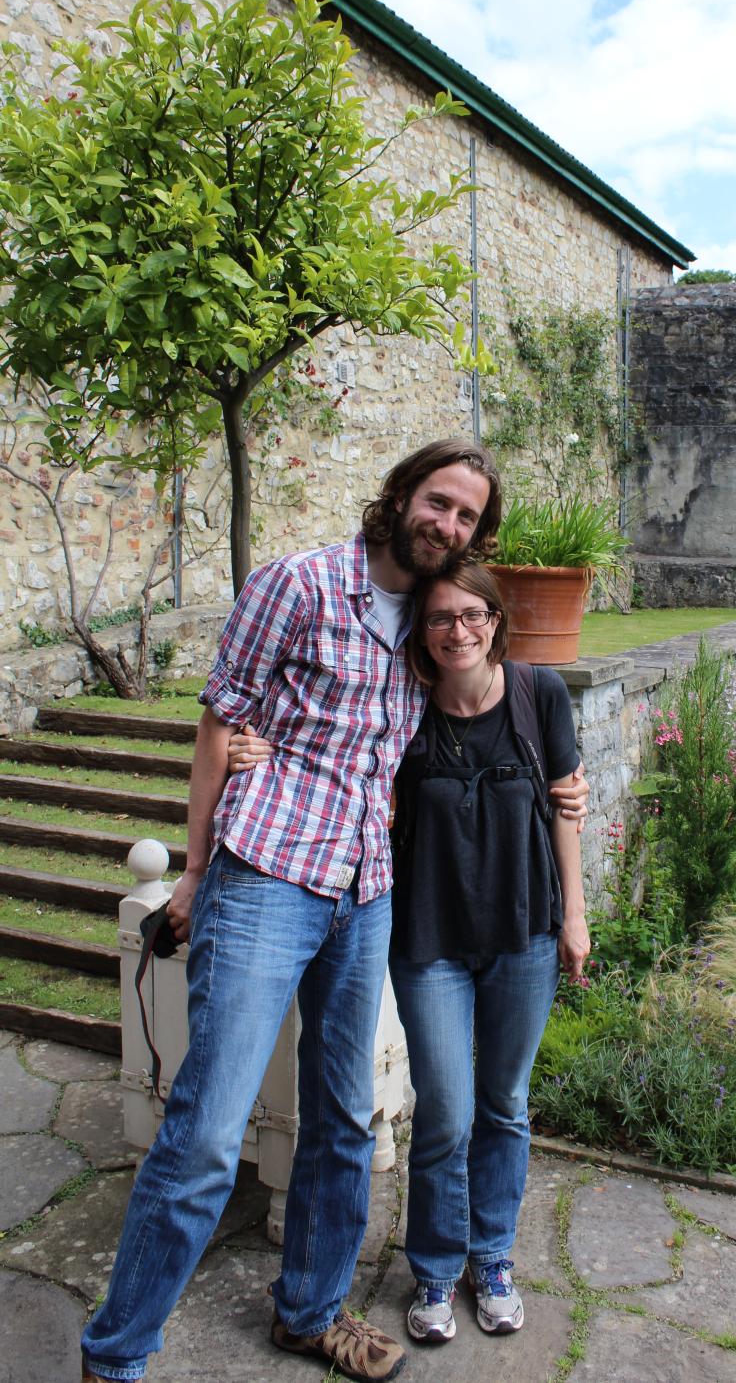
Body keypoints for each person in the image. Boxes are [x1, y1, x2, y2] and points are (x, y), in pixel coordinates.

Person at [80, 438, 588, 1383]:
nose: (448, 524)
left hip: (365, 898)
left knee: (342, 1122)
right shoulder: (300, 584)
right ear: (401, 495)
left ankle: (310, 1310)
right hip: (268, 878)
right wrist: (194, 870)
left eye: (468, 517)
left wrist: (565, 796)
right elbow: (219, 719)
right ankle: (114, 1357)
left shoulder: (428, 630)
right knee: (203, 1131)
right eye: (438, 502)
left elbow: (480, 726)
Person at [228, 561, 591, 1346]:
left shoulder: (538, 694)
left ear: (496, 619)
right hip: (429, 943)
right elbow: (326, 755)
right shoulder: (404, 709)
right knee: (446, 1114)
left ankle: (488, 1258)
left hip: (525, 931)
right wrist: (249, 749)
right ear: (420, 634)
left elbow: (567, 802)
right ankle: (433, 1265)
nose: (458, 630)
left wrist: (576, 917)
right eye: (439, 618)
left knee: (505, 1106)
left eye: (472, 614)